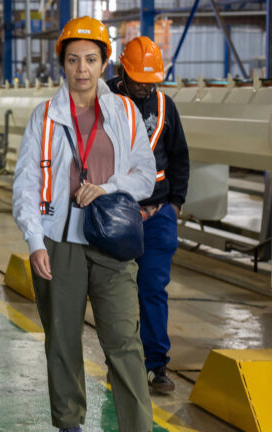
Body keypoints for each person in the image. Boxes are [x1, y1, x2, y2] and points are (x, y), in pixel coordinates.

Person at [12, 16, 157, 432]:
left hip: (113, 241)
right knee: (62, 342)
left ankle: (137, 427)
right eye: (73, 60)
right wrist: (35, 242)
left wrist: (108, 187)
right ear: (62, 64)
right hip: (60, 244)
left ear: (104, 63)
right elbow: (25, 185)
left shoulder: (125, 112)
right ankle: (70, 424)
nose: (82, 69)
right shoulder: (45, 117)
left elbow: (146, 176)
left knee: (125, 343)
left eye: (91, 59)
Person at [107, 36, 190, 393]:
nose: (144, 84)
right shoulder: (103, 100)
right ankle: (121, 366)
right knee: (116, 293)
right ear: (122, 70)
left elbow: (180, 155)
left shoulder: (165, 106)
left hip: (158, 215)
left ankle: (157, 366)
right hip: (115, 213)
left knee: (153, 289)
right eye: (138, 77)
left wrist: (175, 203)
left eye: (150, 79)